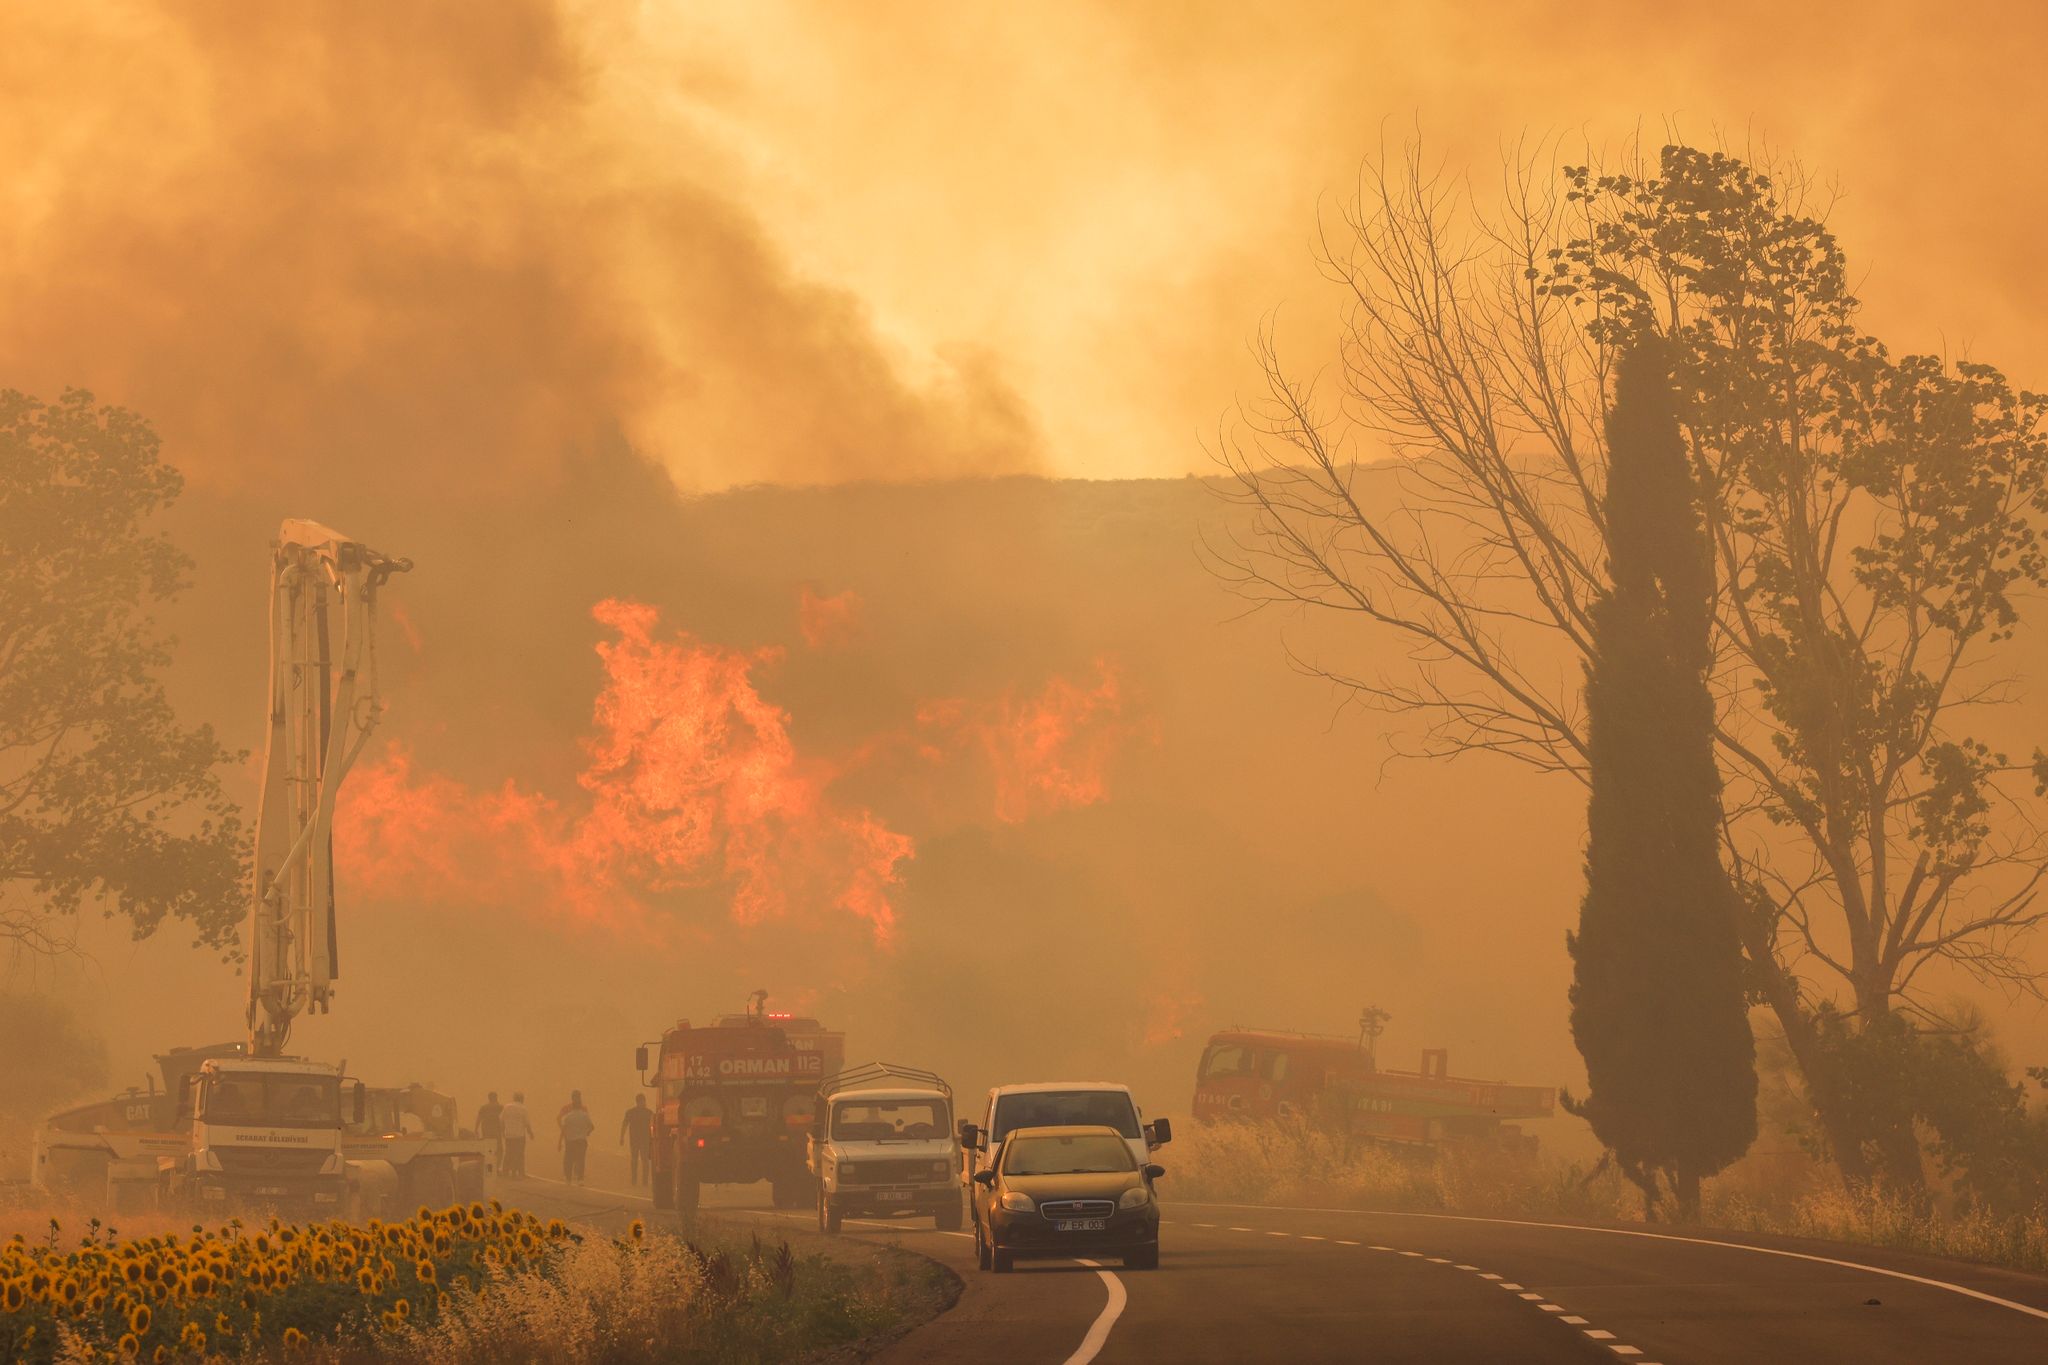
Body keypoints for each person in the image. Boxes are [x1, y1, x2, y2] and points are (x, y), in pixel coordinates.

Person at [559, 1090, 595, 1185]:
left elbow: (562, 1123)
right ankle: (579, 1178)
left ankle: (569, 1178)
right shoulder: (582, 1111)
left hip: (570, 1138)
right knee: (579, 1158)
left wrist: (562, 1136)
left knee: (570, 1158)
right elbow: (591, 1126)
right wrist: (586, 1132)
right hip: (580, 1139)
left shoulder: (568, 1114)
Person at [621, 1094, 654, 1187]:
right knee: (634, 1160)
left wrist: (653, 1139)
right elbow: (625, 1124)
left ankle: (644, 1182)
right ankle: (634, 1180)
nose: (642, 1103)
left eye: (643, 1101)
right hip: (635, 1140)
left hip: (645, 1141)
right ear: (637, 1102)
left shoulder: (649, 1113)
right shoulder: (631, 1112)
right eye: (641, 1101)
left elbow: (653, 1127)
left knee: (645, 1161)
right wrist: (621, 1137)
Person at [499, 1092, 533, 1178]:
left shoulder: (507, 1107)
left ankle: (505, 1172)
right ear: (522, 1099)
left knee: (508, 1153)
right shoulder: (523, 1108)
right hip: (519, 1135)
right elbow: (527, 1123)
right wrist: (530, 1133)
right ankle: (519, 1172)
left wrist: (502, 1131)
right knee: (519, 1154)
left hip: (509, 1135)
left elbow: (501, 1120)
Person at [476, 1091, 505, 1167]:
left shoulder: (484, 1107)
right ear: (496, 1098)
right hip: (497, 1132)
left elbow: (479, 1119)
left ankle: (489, 1168)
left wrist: (475, 1129)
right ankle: (497, 1168)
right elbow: (504, 1120)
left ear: (489, 1098)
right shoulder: (500, 1107)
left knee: (488, 1150)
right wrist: (504, 1131)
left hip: (486, 1132)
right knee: (499, 1150)